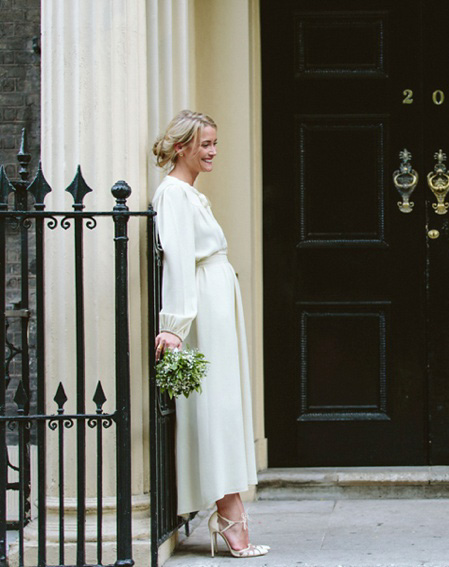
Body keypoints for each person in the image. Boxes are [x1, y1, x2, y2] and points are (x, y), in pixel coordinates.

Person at [152, 110, 269, 558]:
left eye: (215, 143)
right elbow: (179, 260)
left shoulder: (190, 194)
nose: (213, 151)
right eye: (205, 144)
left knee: (224, 403)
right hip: (204, 306)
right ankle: (229, 517)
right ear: (181, 147)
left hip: (218, 303)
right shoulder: (174, 195)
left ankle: (230, 515)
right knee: (215, 405)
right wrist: (176, 327)